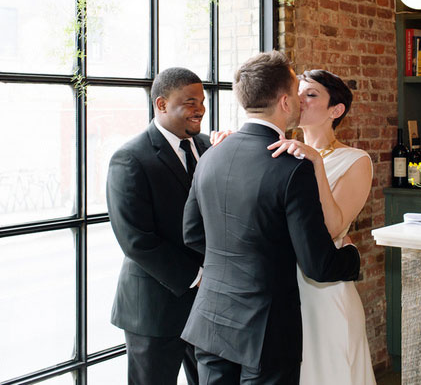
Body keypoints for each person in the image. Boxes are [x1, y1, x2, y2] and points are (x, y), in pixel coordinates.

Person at [181, 51, 361, 384]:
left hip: (211, 322)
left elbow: (192, 234)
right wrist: (351, 256)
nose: (299, 101)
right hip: (265, 332)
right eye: (296, 93)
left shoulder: (210, 155)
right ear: (283, 102)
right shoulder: (293, 168)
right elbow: (318, 265)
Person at [267, 69, 375, 385]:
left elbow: (332, 227)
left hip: (325, 292)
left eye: (311, 94)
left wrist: (315, 164)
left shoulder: (356, 160)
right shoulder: (281, 151)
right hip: (286, 287)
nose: (300, 99)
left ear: (336, 110)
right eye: (298, 92)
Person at [106, 67, 209, 385]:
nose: (201, 109)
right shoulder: (130, 158)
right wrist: (196, 277)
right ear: (161, 104)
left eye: (202, 101)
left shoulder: (208, 147)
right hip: (153, 309)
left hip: (207, 305)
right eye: (190, 102)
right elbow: (136, 239)